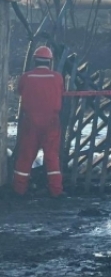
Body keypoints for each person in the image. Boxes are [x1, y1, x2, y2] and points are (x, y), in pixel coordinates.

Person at [13, 46, 65, 198]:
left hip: (30, 121)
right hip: (51, 121)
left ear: (34, 60)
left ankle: (19, 190)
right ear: (50, 61)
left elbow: (20, 91)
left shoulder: (26, 77)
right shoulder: (57, 77)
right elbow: (61, 92)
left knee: (26, 156)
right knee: (51, 156)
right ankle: (56, 190)